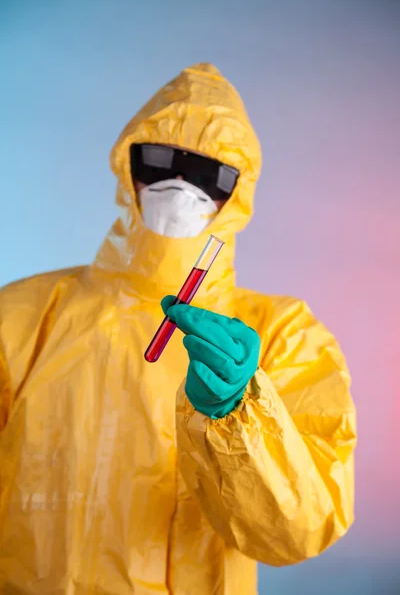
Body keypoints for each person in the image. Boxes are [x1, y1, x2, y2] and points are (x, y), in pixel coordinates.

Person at [0, 63, 356, 595]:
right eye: (160, 161)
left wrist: (241, 417)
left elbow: (298, 533)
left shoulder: (285, 335)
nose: (179, 187)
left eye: (210, 175)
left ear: (237, 195)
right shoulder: (23, 316)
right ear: (129, 169)